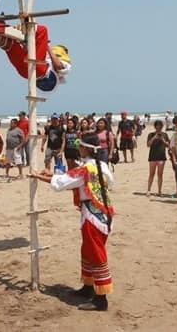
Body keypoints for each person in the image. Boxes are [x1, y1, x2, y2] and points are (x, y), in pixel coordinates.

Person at [29, 132, 115, 311]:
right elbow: (74, 179)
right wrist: (51, 174)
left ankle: (101, 298)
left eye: (81, 147)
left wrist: (38, 176)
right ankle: (88, 287)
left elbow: (62, 182)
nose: (79, 149)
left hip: (93, 215)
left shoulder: (85, 169)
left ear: (86, 149)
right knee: (88, 250)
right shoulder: (102, 165)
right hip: (103, 212)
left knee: (96, 253)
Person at [146, 120, 170, 196]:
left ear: (162, 127)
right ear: (155, 126)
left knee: (160, 175)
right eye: (157, 126)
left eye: (160, 126)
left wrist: (162, 140)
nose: (158, 127)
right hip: (152, 157)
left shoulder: (165, 135)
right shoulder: (151, 134)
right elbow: (148, 145)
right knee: (151, 174)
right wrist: (154, 138)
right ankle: (149, 190)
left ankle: (159, 191)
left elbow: (168, 145)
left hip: (161, 157)